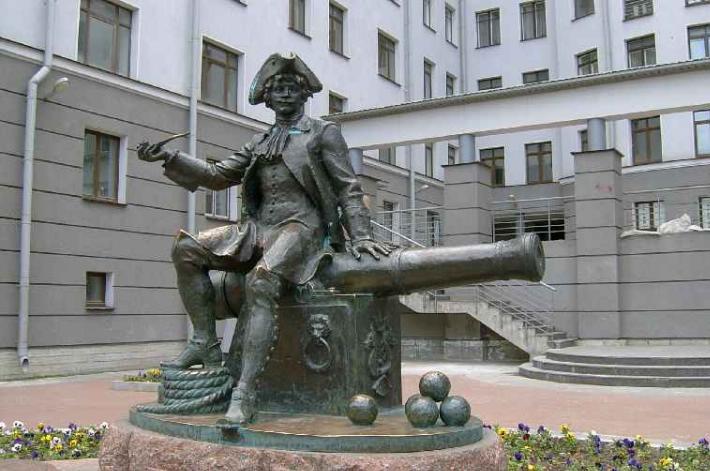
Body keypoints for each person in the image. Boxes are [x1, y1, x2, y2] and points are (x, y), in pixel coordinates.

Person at [137, 53, 390, 423]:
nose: (285, 94)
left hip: (301, 228)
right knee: (186, 248)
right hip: (259, 229)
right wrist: (170, 158)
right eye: (277, 89)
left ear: (304, 95)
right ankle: (204, 342)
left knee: (261, 279)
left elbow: (347, 187)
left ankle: (245, 391)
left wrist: (362, 235)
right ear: (267, 99)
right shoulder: (260, 141)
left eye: (292, 88)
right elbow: (217, 175)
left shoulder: (323, 133)